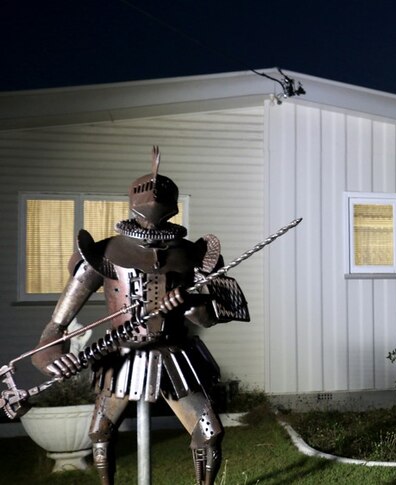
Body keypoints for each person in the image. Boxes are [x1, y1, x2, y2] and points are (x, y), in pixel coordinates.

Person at [31, 147, 249, 485]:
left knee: (210, 432)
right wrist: (50, 353)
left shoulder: (193, 253)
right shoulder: (102, 252)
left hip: (176, 355)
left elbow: (232, 306)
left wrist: (195, 306)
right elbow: (57, 324)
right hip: (123, 355)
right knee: (100, 432)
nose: (153, 196)